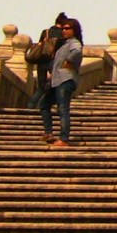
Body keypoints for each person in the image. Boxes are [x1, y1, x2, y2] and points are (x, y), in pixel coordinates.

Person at [44, 18, 84, 149]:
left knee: (63, 108)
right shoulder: (64, 44)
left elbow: (77, 51)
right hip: (57, 80)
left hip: (66, 80)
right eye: (63, 29)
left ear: (74, 30)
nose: (64, 31)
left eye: (67, 28)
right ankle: (49, 133)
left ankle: (64, 138)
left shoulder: (74, 42)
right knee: (44, 104)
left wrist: (69, 60)